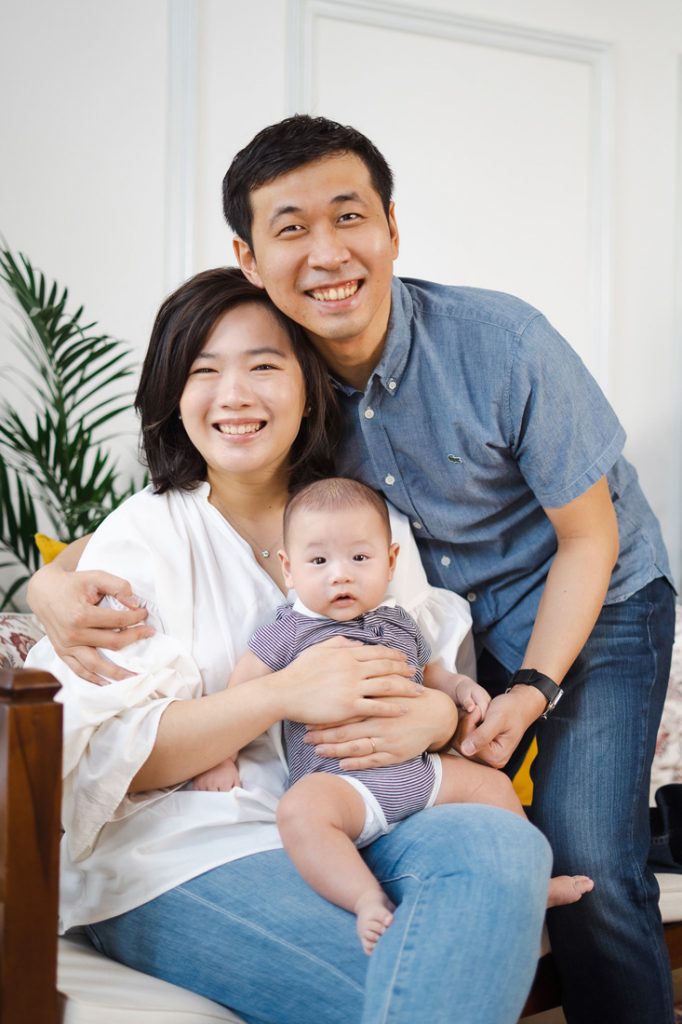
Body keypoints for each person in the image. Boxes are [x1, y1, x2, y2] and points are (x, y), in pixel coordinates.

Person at [29, 116, 675, 1023]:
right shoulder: (176, 518)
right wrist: (43, 584)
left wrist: (467, 703)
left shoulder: (474, 370)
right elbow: (110, 716)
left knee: (574, 856)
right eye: (290, 227)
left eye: (262, 368)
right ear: (251, 257)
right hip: (207, 845)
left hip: (593, 593)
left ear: (392, 227)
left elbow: (575, 549)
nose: (239, 393)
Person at [25, 267, 552, 1024]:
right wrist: (281, 693)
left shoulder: (365, 522)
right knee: (404, 987)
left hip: (367, 818)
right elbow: (119, 763)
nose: (233, 395)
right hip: (179, 857)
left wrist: (437, 718)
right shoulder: (140, 542)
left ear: (308, 384)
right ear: (175, 394)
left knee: (506, 849)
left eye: (263, 366)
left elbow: (428, 672)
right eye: (203, 371)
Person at [197, 475, 593, 954]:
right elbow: (243, 689)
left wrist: (462, 687)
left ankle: (534, 881)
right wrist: (220, 756)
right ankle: (365, 899)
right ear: (288, 568)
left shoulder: (399, 621)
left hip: (418, 773)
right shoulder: (289, 630)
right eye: (318, 561)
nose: (339, 575)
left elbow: (432, 673)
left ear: (389, 562)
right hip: (343, 781)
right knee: (300, 813)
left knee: (491, 784)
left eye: (359, 558)